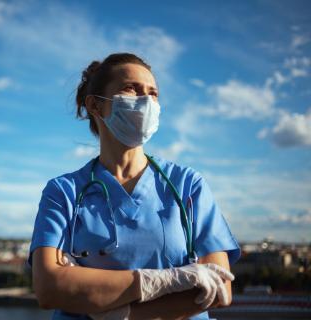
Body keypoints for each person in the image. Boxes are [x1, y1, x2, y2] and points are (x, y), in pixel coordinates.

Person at [28, 53, 241, 320]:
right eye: (131, 89)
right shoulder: (64, 192)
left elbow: (219, 288)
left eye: (153, 93)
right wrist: (165, 281)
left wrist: (117, 312)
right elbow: (50, 289)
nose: (147, 101)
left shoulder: (187, 184)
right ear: (95, 105)